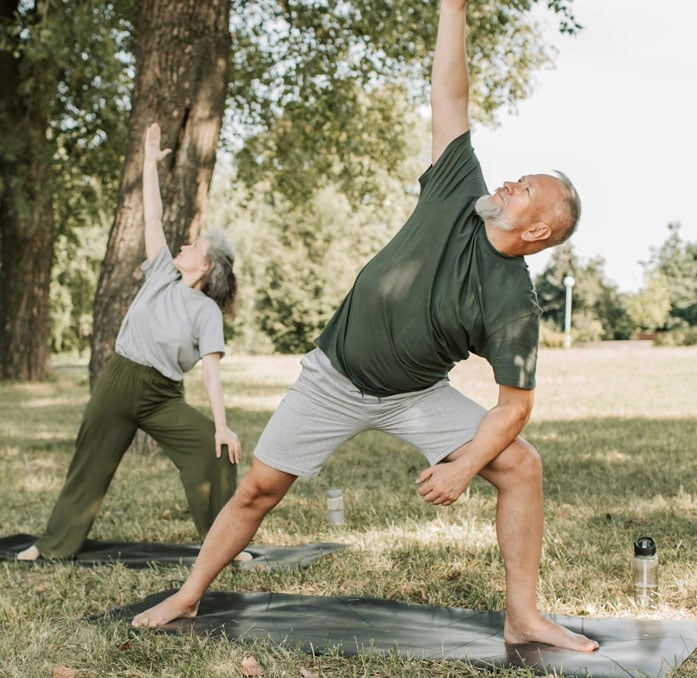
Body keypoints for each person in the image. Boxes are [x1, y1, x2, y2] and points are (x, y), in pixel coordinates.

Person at [132, 0, 598, 653]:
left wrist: (464, 465)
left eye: (527, 190)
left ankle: (523, 616)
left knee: (520, 467)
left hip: (413, 394)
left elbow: (514, 408)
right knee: (260, 490)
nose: (512, 181)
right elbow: (448, 91)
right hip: (335, 375)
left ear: (539, 231)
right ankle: (186, 597)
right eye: (519, 177)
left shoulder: (513, 303)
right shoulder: (459, 188)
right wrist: (453, 8)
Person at [17, 123, 242, 561]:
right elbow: (152, 216)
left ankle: (225, 547)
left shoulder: (206, 312)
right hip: (119, 382)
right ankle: (53, 547)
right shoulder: (161, 271)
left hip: (161, 396)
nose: (184, 243)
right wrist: (149, 165)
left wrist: (221, 425)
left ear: (207, 265)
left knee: (212, 450)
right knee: (89, 463)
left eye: (194, 244)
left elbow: (212, 375)